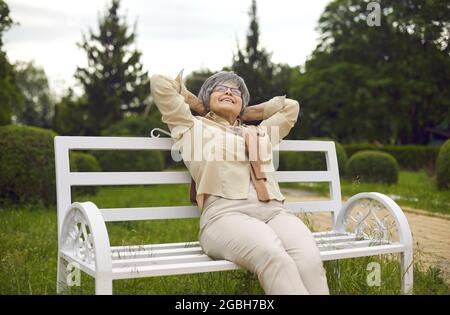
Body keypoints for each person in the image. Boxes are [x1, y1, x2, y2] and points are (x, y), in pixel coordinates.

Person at [150, 70, 329, 295]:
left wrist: (243, 111)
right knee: (274, 257)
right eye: (220, 89)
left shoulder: (261, 133)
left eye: (236, 91)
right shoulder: (191, 127)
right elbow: (160, 84)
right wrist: (201, 105)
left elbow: (290, 107)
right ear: (207, 98)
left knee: (309, 260)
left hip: (275, 213)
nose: (228, 91)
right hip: (225, 216)